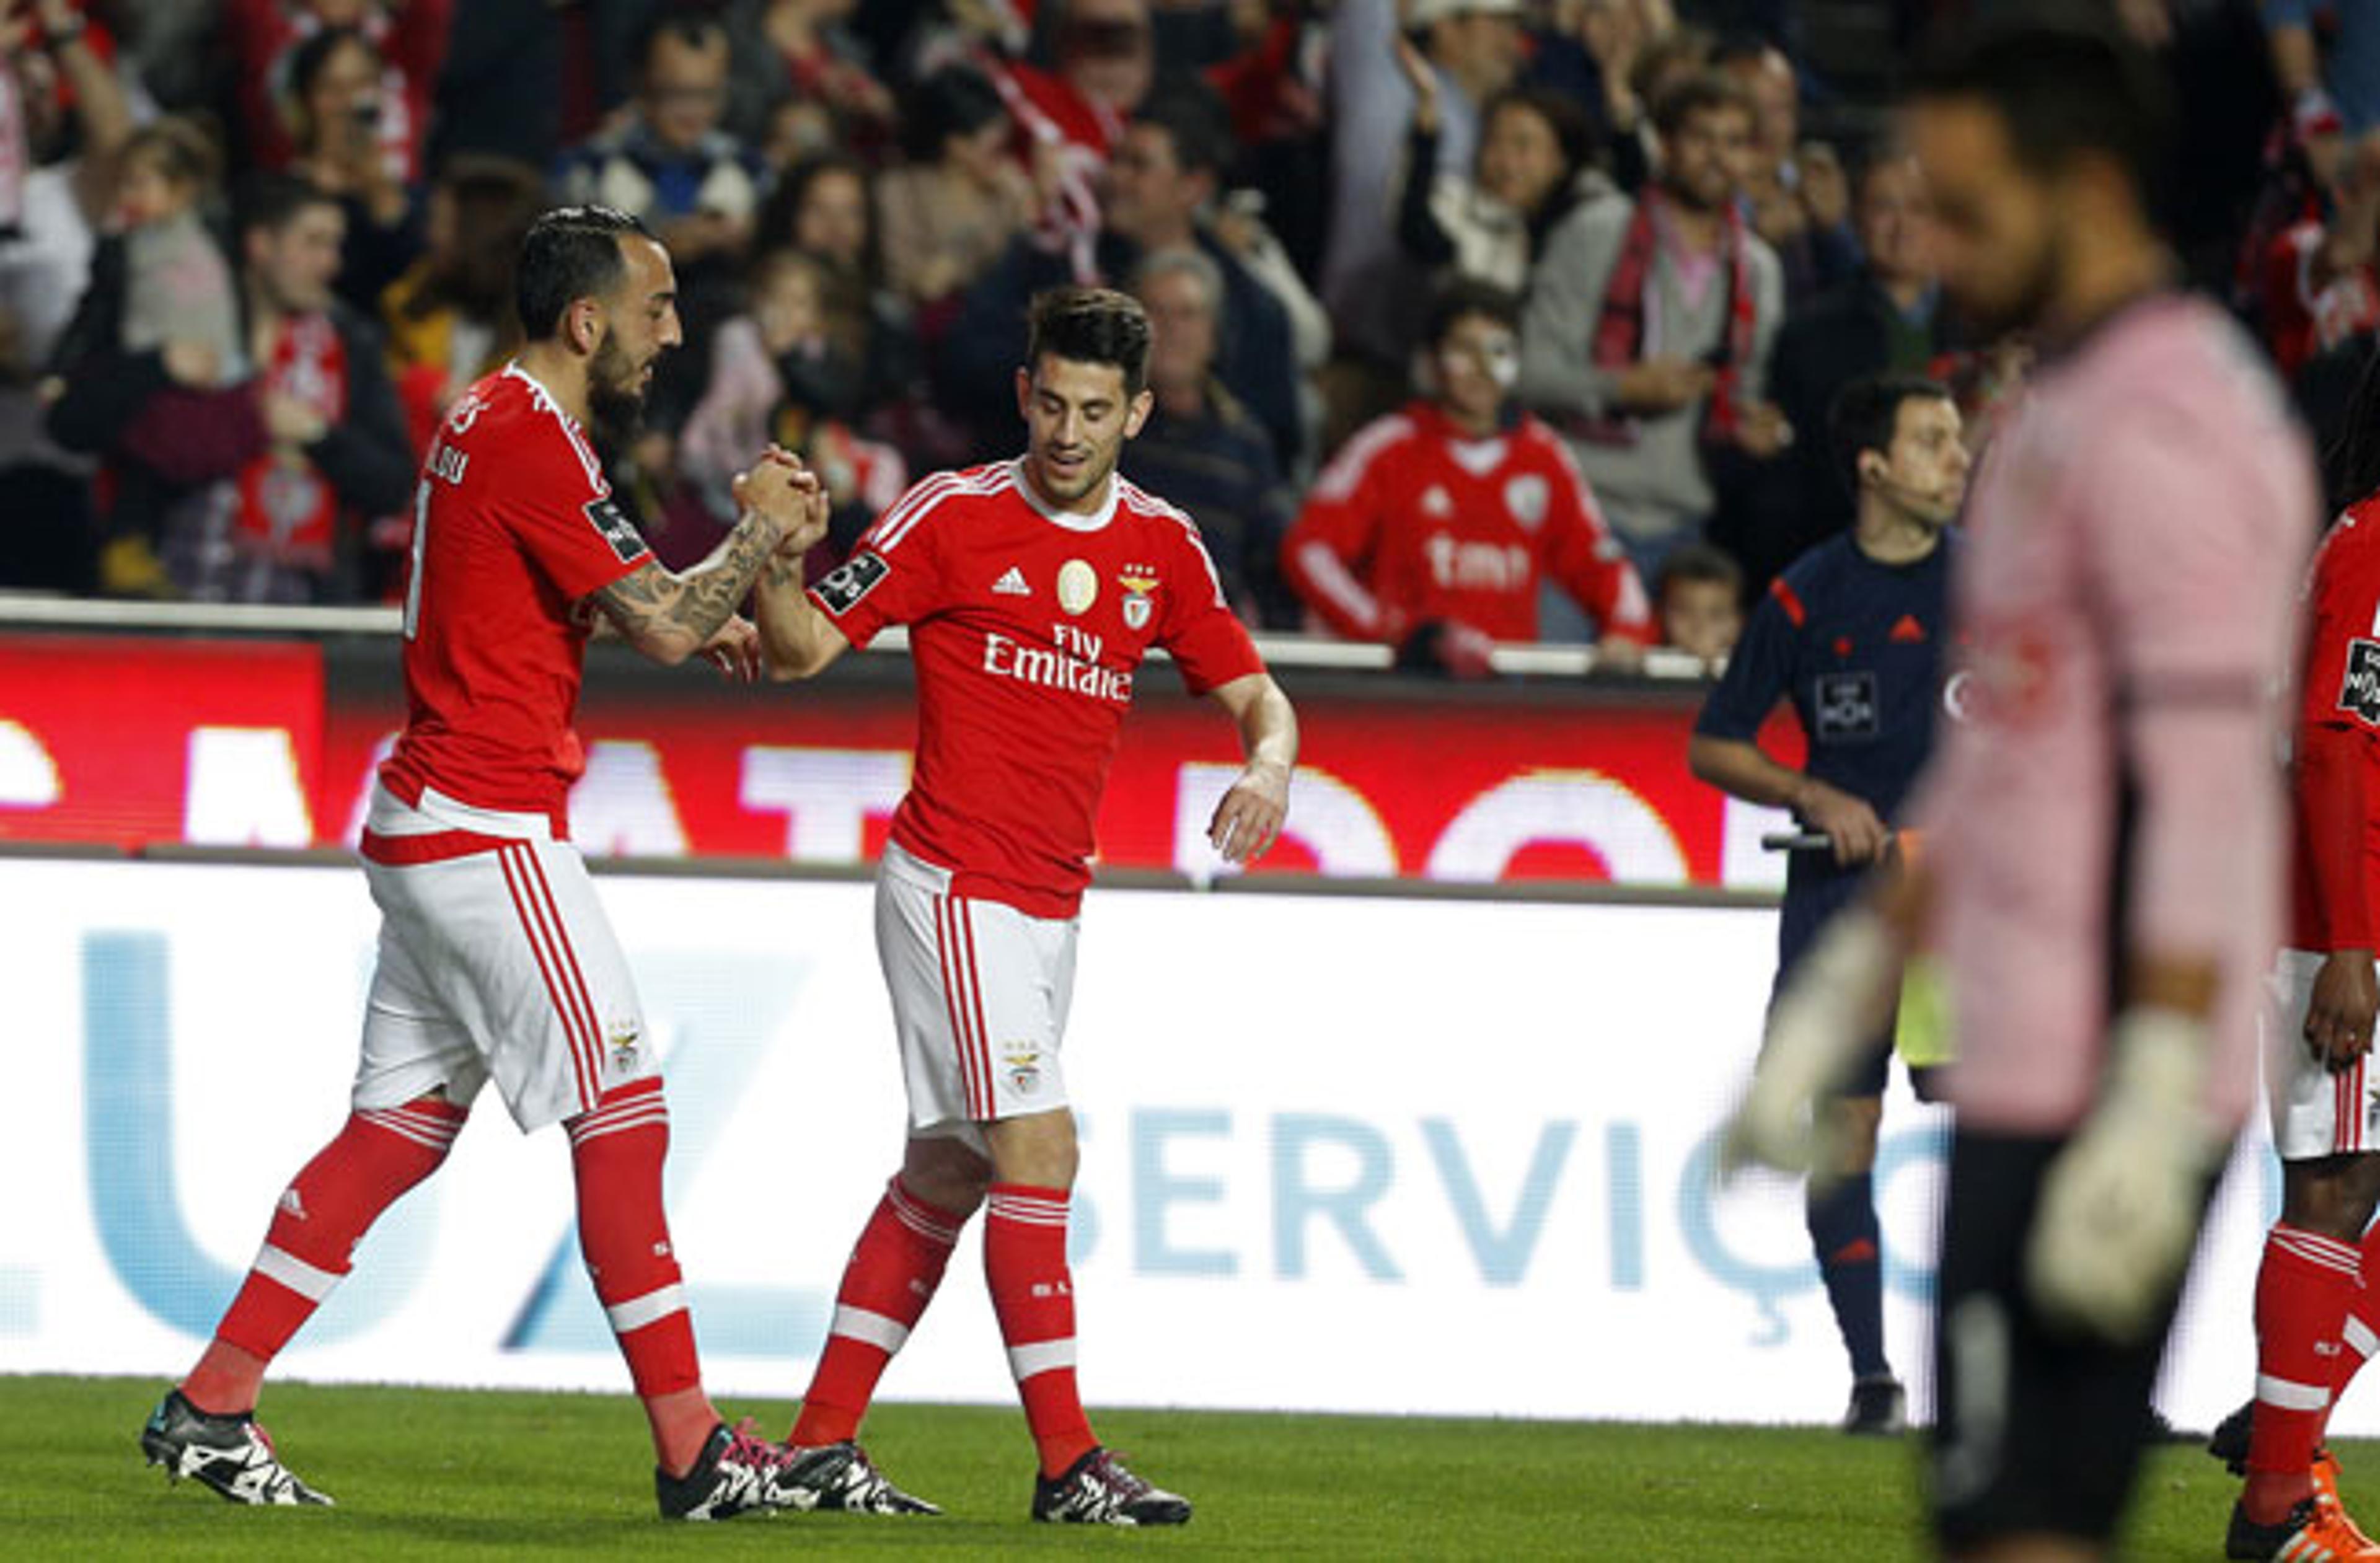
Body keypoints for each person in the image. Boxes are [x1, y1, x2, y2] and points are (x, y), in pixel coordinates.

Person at [136, 204, 835, 1520]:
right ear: (587, 320)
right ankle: (695, 1453)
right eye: (657, 308)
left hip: (424, 812)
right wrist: (754, 537)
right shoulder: (531, 439)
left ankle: (212, 1404)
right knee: (624, 1108)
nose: (671, 333)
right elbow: (666, 625)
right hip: (487, 820)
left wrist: (694, 602)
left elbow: (595, 597)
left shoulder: (496, 421)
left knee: (398, 1128)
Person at [1724, 11, 2317, 1561]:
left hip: (2110, 1076)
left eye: (1972, 208)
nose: (1941, 247)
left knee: (2021, 1526)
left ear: (2091, 184)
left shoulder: (2177, 424)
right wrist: (1852, 975)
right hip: (2021, 1048)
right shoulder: (2052, 412)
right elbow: (2000, 765)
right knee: (1995, 1520)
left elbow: (2201, 793)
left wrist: (2147, 1092)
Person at [751, 284, 1297, 1525]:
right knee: (1040, 1150)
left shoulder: (1161, 546)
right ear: (1022, 394)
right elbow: (802, 651)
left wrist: (1267, 765)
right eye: (1050, 402)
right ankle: (1067, 1465)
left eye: (1094, 410)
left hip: (1050, 904)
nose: (1066, 430)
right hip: (953, 882)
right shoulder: (952, 514)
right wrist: (780, 565)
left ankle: (818, 1449)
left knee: (944, 1173)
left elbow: (1262, 696)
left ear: (1139, 413)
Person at [1690, 372, 1968, 1434]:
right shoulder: (1808, 595)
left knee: (2003, 1130)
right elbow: (1715, 740)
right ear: (1875, 466)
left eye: (1957, 437)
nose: (1958, 457)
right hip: (1845, 904)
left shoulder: (1993, 587)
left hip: (1961, 910)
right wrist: (1812, 791)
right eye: (1934, 440)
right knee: (1842, 1133)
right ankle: (1872, 1377)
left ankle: (2009, 1381)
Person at [2198, 354, 2380, 1557]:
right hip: (2340, 927)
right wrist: (2352, 952)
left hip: (2352, 917)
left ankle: (2282, 1409)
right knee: (2336, 1185)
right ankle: (2275, 1501)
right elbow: (2333, 742)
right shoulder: (2373, 543)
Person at [1283, 279, 1654, 672]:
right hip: (1405, 691)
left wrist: (1627, 631)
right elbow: (1309, 550)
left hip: (1507, 698)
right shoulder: (1389, 447)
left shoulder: (1543, 456)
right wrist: (1391, 630)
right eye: (1463, 349)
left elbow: (1600, 562)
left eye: (1499, 351)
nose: (1481, 367)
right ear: (1432, 361)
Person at [1516, 69, 1789, 587]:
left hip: (1685, 536)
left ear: (1754, 158)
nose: (1715, 156)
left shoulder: (1758, 269)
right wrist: (1621, 387)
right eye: (1699, 137)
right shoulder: (1597, 230)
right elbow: (1528, 373)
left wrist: (1756, 429)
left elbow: (1744, 397)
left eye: (1733, 142)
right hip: (1577, 516)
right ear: (1664, 144)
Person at [1655, 539, 1744, 668]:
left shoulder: (1755, 668)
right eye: (1684, 611)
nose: (1700, 626)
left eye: (1716, 614)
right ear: (1660, 612)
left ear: (1739, 622)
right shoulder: (1639, 656)